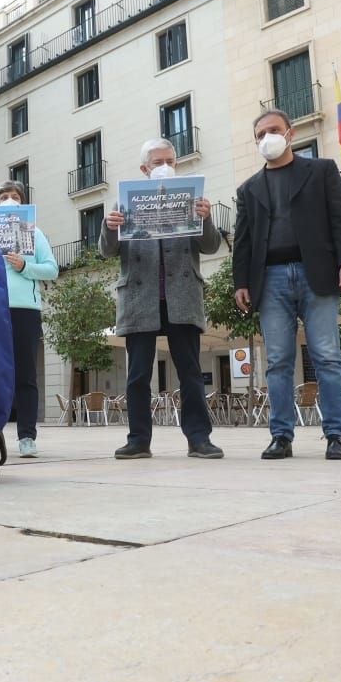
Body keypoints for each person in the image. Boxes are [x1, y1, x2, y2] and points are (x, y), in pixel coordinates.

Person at [233, 109, 341, 460]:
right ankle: (281, 436)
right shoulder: (249, 189)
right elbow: (242, 240)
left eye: (273, 130)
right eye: (260, 134)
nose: (266, 138)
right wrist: (240, 281)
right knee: (278, 361)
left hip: (316, 271)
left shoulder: (321, 171)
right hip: (269, 278)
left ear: (290, 133)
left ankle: (336, 435)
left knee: (327, 356)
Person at [100, 138, 223, 460]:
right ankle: (138, 439)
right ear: (144, 169)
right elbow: (107, 251)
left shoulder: (193, 200)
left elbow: (211, 247)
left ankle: (199, 439)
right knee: (138, 374)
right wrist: (109, 227)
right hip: (141, 296)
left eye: (170, 160)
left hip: (181, 295)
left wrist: (206, 218)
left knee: (191, 372)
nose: (165, 166)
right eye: (157, 162)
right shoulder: (123, 203)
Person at [0, 181, 58, 458]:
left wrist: (24, 266)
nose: (9, 201)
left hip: (24, 310)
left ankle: (27, 436)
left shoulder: (35, 232)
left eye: (15, 197)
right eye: (4, 197)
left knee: (25, 374)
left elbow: (51, 269)